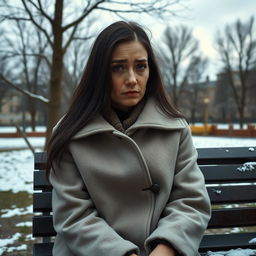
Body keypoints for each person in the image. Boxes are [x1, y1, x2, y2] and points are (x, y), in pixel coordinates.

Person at [46, 21, 211, 256]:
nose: (132, 79)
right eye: (118, 68)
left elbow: (191, 201)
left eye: (140, 66)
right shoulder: (70, 134)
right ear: (100, 74)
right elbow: (74, 217)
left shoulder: (175, 128)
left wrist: (167, 247)